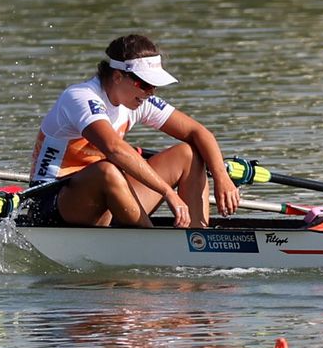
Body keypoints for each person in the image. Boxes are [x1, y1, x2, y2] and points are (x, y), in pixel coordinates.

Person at [28, 34, 240, 228]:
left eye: (153, 87)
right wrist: (167, 192)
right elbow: (114, 148)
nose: (150, 93)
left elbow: (198, 132)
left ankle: (197, 238)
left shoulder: (138, 99)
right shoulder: (80, 97)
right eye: (144, 84)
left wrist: (222, 176)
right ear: (118, 76)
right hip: (54, 201)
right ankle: (149, 240)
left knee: (188, 153)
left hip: (108, 195)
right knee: (107, 171)